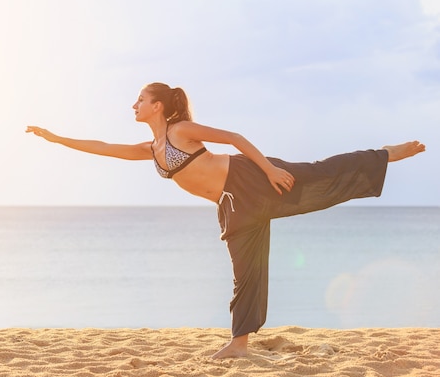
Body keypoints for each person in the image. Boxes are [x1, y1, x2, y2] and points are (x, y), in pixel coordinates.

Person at [26, 82, 426, 360]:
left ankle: (385, 154)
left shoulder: (182, 130)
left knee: (316, 172)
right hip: (233, 203)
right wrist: (58, 139)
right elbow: (106, 148)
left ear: (158, 106)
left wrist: (268, 169)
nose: (134, 105)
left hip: (248, 177)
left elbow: (233, 137)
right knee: (244, 272)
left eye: (140, 99)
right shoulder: (154, 148)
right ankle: (240, 342)